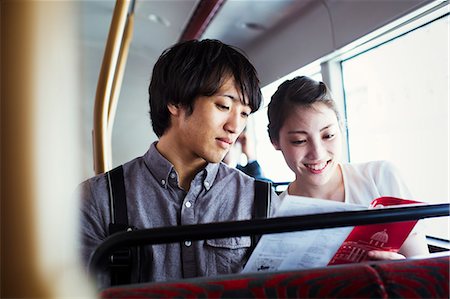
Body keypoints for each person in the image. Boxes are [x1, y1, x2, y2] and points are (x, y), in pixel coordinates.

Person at [79, 39, 280, 287]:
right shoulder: (98, 200)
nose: (235, 127)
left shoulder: (261, 200)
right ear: (176, 102)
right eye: (223, 105)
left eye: (244, 114)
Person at [267, 76, 429, 260]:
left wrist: (400, 270)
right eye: (300, 141)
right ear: (275, 142)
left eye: (328, 135)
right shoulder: (275, 215)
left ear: (341, 128)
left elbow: (422, 266)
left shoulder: (380, 178)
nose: (317, 153)